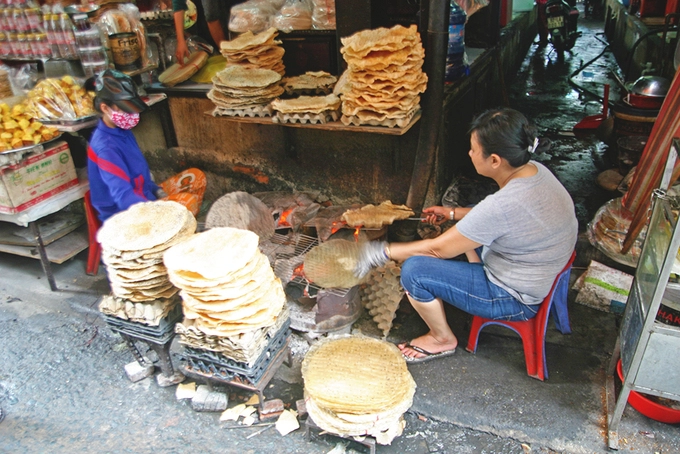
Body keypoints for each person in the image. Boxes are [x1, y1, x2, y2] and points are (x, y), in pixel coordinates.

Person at [355, 108, 578, 363]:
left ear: (494, 160)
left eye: (473, 149)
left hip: (514, 297)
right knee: (468, 224)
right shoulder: (535, 170)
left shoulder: (503, 205)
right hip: (540, 267)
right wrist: (451, 214)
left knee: (415, 271)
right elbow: (491, 216)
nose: (470, 153)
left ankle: (442, 339)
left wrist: (380, 252)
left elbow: (437, 249)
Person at [87, 69, 206, 223]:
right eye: (125, 107)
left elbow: (139, 175)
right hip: (124, 216)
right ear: (105, 108)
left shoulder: (121, 130)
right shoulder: (106, 148)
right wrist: (157, 208)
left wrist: (156, 190)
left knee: (196, 177)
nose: (131, 113)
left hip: (143, 195)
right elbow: (124, 198)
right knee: (187, 203)